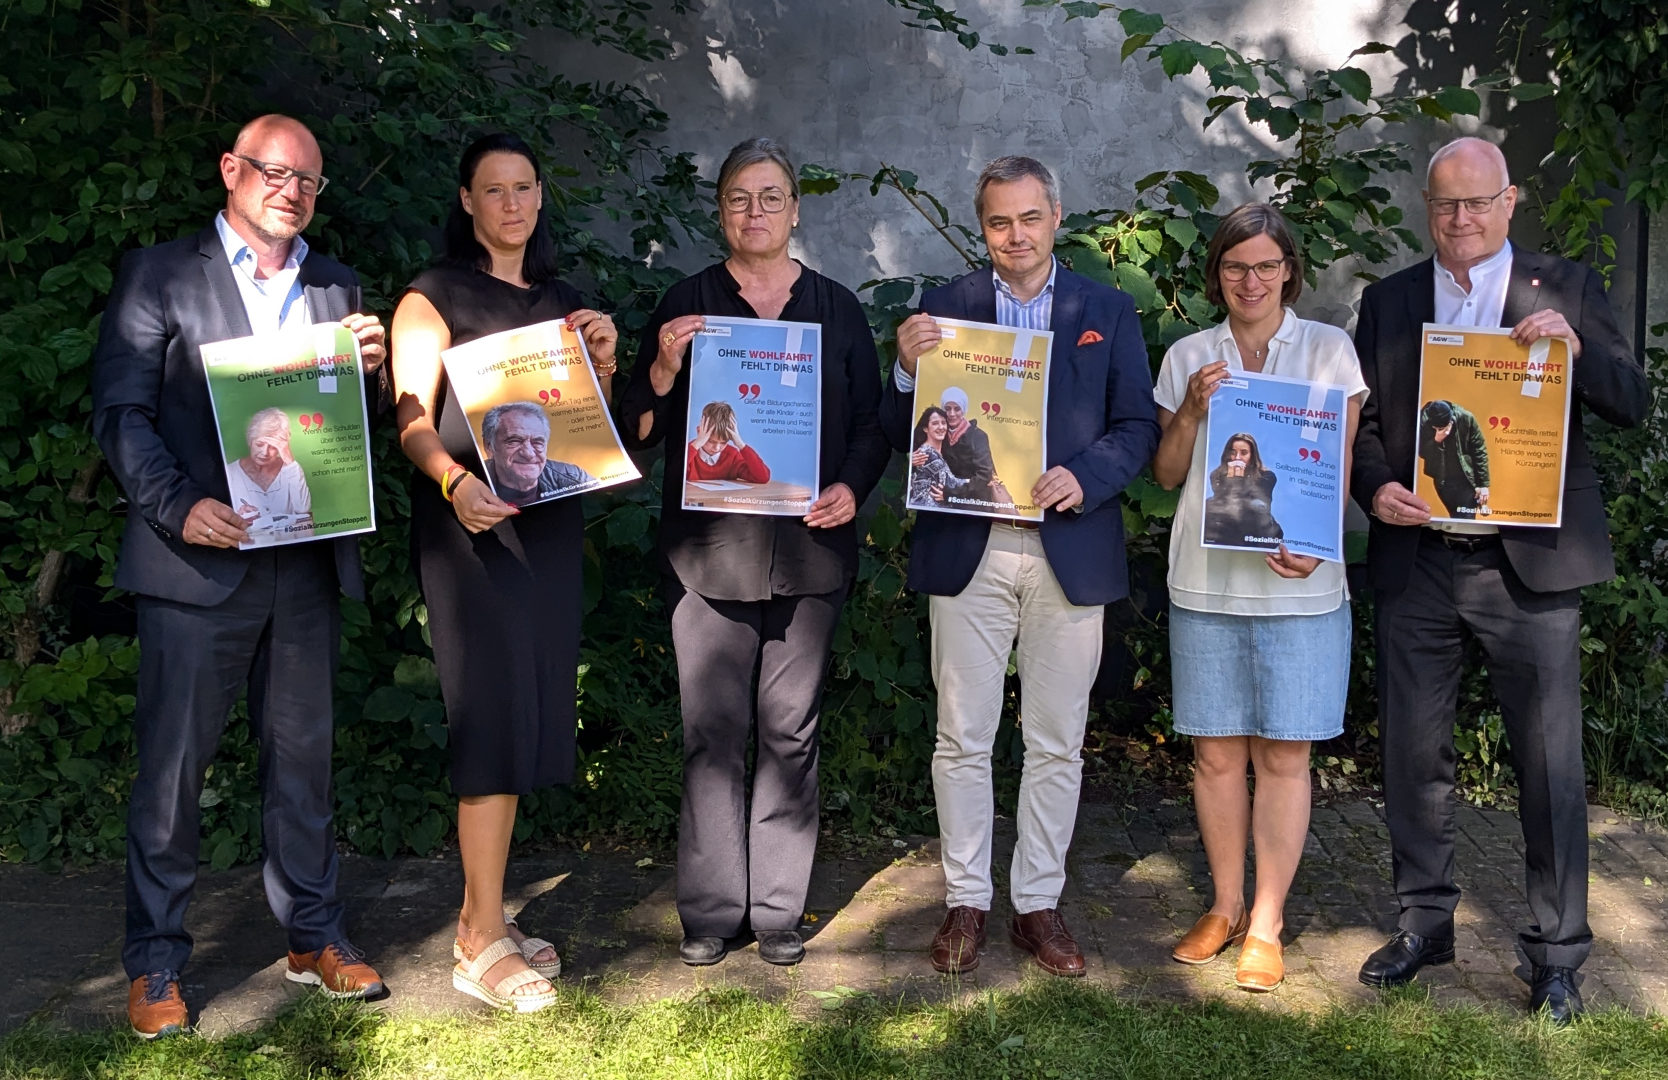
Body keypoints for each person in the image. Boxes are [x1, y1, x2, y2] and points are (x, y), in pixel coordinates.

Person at [91, 114, 389, 1039]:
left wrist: (372, 379)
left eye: (308, 180)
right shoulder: (162, 274)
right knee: (173, 776)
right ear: (231, 170)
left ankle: (313, 935)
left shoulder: (337, 287)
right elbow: (122, 415)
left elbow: (347, 436)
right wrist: (178, 505)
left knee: (304, 766)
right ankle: (153, 964)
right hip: (194, 564)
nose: (291, 190)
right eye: (273, 172)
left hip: (300, 565)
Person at [1350, 136, 1647, 1023]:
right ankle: (1424, 922)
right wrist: (1378, 488)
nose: (1461, 220)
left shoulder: (1566, 289)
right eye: (1445, 204)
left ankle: (1558, 954)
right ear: (1426, 206)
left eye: (1477, 203)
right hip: (1423, 559)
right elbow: (1361, 426)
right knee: (1411, 753)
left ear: (1510, 202)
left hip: (1532, 567)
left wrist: (1576, 353)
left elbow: (1632, 399)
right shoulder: (1392, 299)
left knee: (1550, 764)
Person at [881, 156, 1160, 977]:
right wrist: (904, 367)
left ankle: (1037, 904)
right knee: (961, 736)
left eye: (1029, 219)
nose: (1015, 236)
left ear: (1056, 216)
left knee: (1057, 742)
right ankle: (966, 899)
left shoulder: (1106, 310)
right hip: (973, 544)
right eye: (999, 222)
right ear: (983, 227)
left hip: (1068, 546)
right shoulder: (943, 311)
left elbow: (1137, 425)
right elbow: (898, 421)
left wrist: (1089, 474)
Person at [617, 137, 890, 968]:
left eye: (771, 197)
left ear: (796, 209)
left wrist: (850, 486)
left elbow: (875, 423)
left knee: (790, 730)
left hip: (809, 555)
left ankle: (776, 911)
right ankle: (708, 912)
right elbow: (637, 433)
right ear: (721, 211)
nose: (756, 212)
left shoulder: (837, 309)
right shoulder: (687, 302)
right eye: (739, 198)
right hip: (710, 557)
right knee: (711, 730)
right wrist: (663, 367)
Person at [390, 133, 620, 1012]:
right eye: (495, 190)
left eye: (526, 187)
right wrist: (453, 483)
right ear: (466, 201)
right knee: (488, 714)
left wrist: (600, 356)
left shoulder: (563, 302)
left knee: (525, 711)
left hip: (549, 531)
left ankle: (480, 915)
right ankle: (480, 942)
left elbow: (594, 427)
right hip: (470, 533)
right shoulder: (432, 294)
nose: (514, 204)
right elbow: (412, 420)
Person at [1151, 202, 1367, 993]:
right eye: (1236, 266)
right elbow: (1169, 473)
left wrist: (1317, 543)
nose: (1251, 280)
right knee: (1213, 755)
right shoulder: (1188, 355)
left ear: (1289, 272)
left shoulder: (1328, 349)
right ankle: (1224, 903)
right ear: (1218, 274)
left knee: (1284, 754)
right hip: (1205, 583)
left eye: (1266, 266)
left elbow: (1334, 468)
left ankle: (1268, 920)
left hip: (1298, 585)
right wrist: (1193, 410)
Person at [479, 400, 596, 506]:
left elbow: (605, 498)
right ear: (489, 446)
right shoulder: (473, 482)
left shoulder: (573, 477)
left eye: (537, 442)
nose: (528, 454)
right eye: (514, 441)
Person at [227, 407, 314, 539]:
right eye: (260, 444)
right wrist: (239, 516)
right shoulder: (231, 472)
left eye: (273, 447)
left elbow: (303, 509)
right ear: (250, 441)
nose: (265, 452)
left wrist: (290, 462)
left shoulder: (290, 469)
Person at [1203, 433, 1282, 546]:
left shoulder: (1266, 476)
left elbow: (1261, 502)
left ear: (1252, 455)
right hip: (1227, 519)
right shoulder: (1216, 475)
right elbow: (1222, 500)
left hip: (1253, 521)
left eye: (1244, 453)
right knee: (1209, 504)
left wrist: (1239, 479)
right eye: (1233, 452)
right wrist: (1230, 479)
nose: (1237, 458)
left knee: (1255, 505)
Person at [1416, 399, 1489, 518]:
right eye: (1437, 428)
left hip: (1467, 479)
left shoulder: (1466, 418)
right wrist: (1437, 440)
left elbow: (1479, 451)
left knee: (1466, 518)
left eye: (1443, 427)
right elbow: (1421, 453)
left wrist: (1483, 484)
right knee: (1455, 516)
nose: (1443, 430)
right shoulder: (1422, 422)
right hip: (1443, 480)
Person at [686, 401, 771, 483]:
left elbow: (763, 477)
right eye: (711, 441)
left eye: (723, 442)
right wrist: (696, 444)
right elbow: (674, 472)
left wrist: (741, 444)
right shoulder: (689, 453)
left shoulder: (732, 456)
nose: (717, 448)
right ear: (699, 431)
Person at [908, 405, 971, 507]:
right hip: (927, 509)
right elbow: (950, 482)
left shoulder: (940, 452)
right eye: (935, 423)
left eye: (943, 423)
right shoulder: (927, 454)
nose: (941, 427)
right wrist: (977, 482)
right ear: (925, 428)